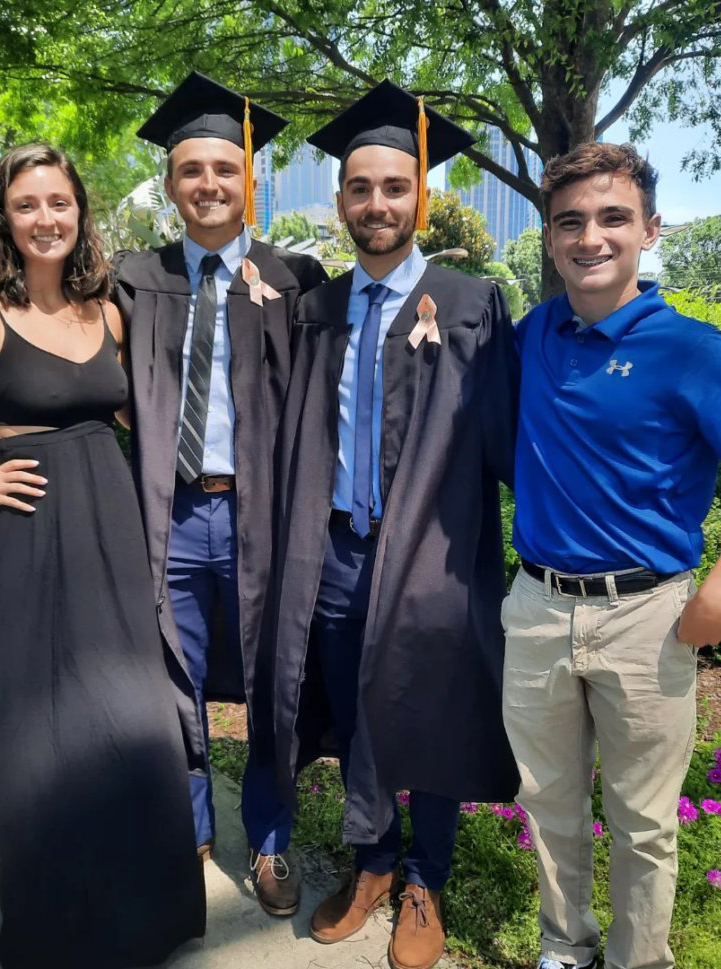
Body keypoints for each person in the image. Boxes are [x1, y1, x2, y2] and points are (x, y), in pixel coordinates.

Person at [269, 80, 520, 969]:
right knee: (355, 708)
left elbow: (508, 438)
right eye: (360, 188)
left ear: (423, 193)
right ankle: (372, 860)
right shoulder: (319, 310)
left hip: (436, 556)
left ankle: (426, 878)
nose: (378, 203)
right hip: (338, 548)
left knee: (437, 709)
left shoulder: (470, 304)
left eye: (395, 186)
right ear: (340, 201)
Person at [0, 144, 204, 969]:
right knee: (37, 745)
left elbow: (133, 412)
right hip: (19, 548)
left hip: (110, 538)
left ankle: (144, 923)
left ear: (80, 213)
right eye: (27, 205)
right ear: (3, 217)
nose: (46, 218)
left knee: (131, 725)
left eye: (60, 202)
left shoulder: (109, 311)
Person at [502, 142, 721, 969]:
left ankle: (639, 960)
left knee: (643, 822)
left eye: (612, 218)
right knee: (550, 803)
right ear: (550, 237)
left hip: (648, 617)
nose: (590, 237)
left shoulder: (693, 351)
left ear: (649, 230)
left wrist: (717, 593)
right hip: (536, 607)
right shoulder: (535, 334)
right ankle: (566, 945)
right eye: (570, 222)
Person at [113, 72, 327, 915]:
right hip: (167, 516)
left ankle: (271, 843)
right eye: (191, 169)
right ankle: (191, 829)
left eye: (225, 168)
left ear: (250, 179)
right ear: (170, 183)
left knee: (274, 679)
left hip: (261, 519)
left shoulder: (299, 279)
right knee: (174, 682)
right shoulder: (134, 277)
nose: (209, 184)